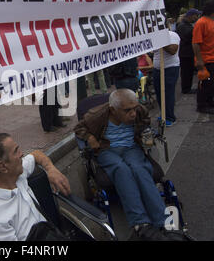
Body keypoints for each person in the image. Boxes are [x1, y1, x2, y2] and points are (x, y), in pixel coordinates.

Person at [74, 89, 177, 241]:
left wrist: (145, 134)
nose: (133, 114)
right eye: (127, 111)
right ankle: (140, 223)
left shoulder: (139, 110)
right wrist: (90, 138)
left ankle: (163, 222)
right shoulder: (96, 116)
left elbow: (145, 123)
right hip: (107, 149)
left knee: (139, 169)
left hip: (131, 147)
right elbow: (78, 128)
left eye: (134, 108)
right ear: (112, 110)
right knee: (121, 169)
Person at [0, 133, 71, 241]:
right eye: (16, 151)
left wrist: (51, 169)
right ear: (2, 166)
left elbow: (36, 155)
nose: (21, 154)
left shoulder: (14, 173)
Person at [192, 0, 214, 114]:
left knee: (212, 83)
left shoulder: (212, 21)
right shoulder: (201, 22)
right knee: (205, 84)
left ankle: (210, 101)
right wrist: (199, 60)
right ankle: (202, 105)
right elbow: (196, 43)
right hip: (207, 60)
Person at [152, 29, 181, 126]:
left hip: (169, 68)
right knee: (159, 93)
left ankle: (170, 117)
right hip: (157, 69)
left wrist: (161, 41)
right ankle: (164, 113)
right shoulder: (154, 36)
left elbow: (173, 50)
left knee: (167, 93)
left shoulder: (172, 35)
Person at [176, 8, 201, 94]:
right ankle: (186, 89)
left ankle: (187, 87)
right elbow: (187, 35)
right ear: (190, 16)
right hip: (185, 53)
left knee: (189, 71)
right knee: (186, 72)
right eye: (196, 16)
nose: (197, 18)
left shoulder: (187, 25)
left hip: (188, 52)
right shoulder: (182, 26)